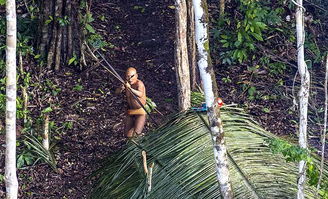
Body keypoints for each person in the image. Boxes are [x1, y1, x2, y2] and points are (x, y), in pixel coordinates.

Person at [116, 67, 147, 138]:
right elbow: (116, 92)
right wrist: (121, 88)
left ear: (136, 75)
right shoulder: (126, 83)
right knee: (127, 135)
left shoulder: (139, 84)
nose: (130, 79)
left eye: (132, 76)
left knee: (135, 135)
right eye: (128, 76)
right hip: (131, 111)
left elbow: (140, 94)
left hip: (140, 112)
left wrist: (130, 88)